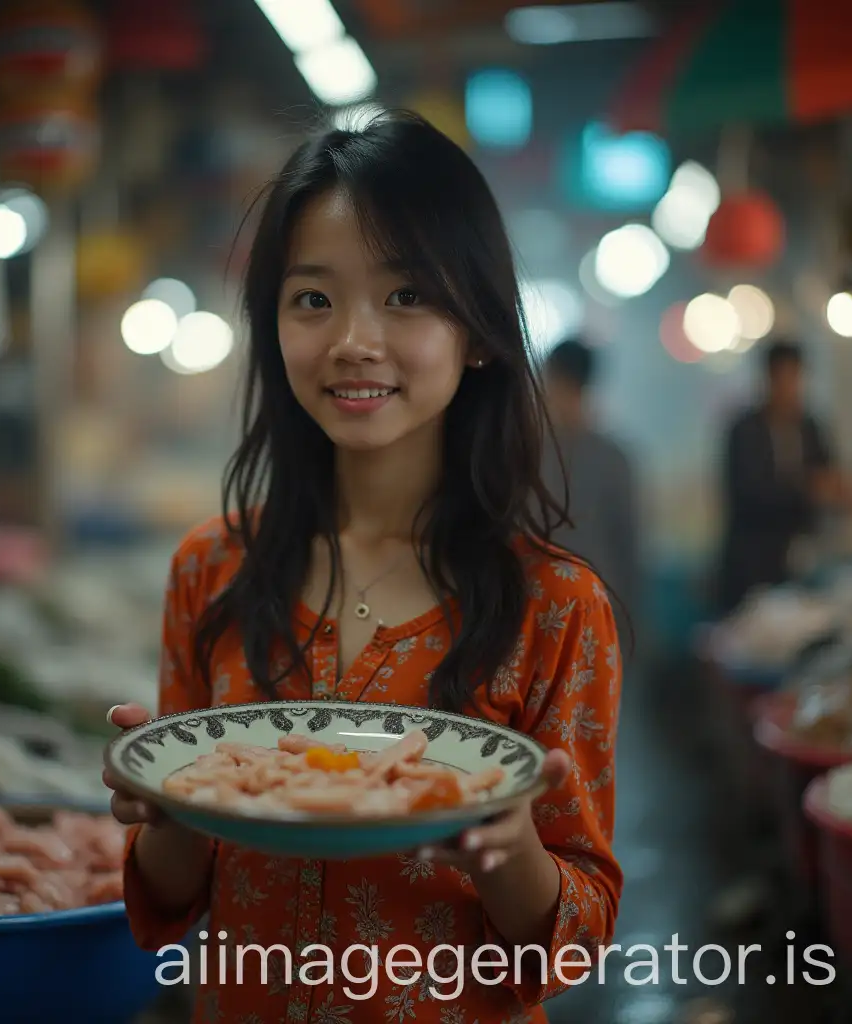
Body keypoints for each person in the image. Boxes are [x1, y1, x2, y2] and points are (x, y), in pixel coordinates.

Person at [103, 110, 623, 1024]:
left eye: (406, 295)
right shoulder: (210, 569)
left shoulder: (557, 604)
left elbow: (577, 931)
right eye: (313, 298)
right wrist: (167, 811)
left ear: (479, 332)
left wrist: (511, 852)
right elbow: (172, 901)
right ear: (274, 326)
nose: (353, 339)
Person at [716, 339, 852, 612]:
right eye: (784, 377)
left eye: (796, 377)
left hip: (803, 559)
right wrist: (808, 489)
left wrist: (840, 489)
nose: (791, 387)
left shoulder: (810, 426)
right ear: (768, 378)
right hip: (752, 564)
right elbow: (748, 493)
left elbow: (828, 473)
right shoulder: (744, 431)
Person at [540, 337, 641, 662]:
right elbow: (629, 548)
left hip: (545, 610)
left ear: (553, 378)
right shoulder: (614, 457)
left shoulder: (527, 454)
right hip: (596, 609)